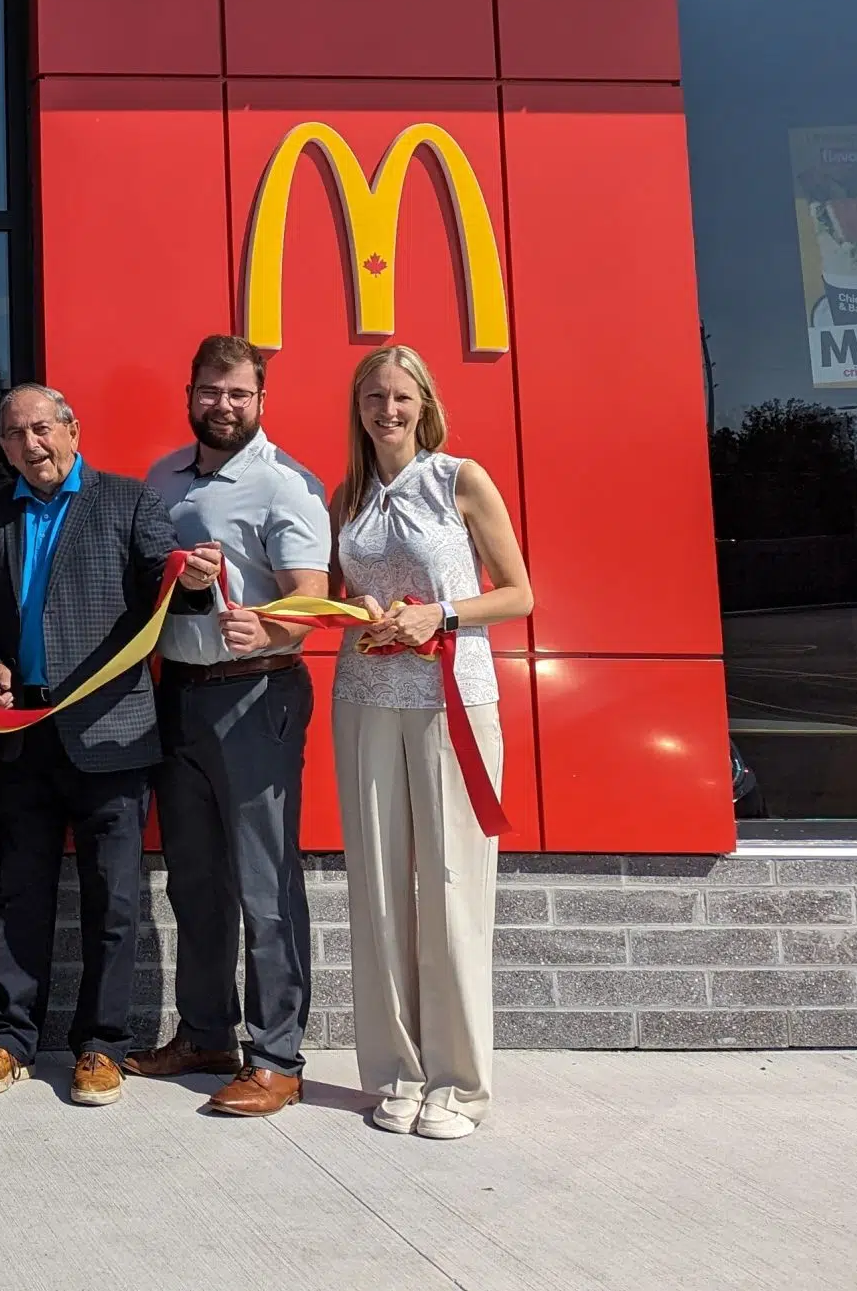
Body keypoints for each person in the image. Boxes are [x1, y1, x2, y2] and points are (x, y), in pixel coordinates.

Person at [0, 382, 204, 1106]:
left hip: (111, 736)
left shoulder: (127, 501)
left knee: (115, 901)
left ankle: (101, 1045)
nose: (30, 443)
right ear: (0, 445)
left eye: (41, 428)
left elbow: (171, 585)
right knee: (20, 896)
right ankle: (9, 1038)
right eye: (13, 433)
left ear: (72, 428)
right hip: (23, 736)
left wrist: (194, 579)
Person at [331, 343, 534, 1141]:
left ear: (425, 403)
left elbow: (519, 592)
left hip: (453, 700)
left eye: (402, 396)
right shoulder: (344, 494)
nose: (388, 409)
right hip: (364, 699)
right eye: (374, 396)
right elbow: (339, 596)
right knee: (378, 890)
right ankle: (395, 1071)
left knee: (451, 889)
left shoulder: (461, 478)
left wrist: (439, 615)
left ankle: (459, 1083)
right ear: (358, 406)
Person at [130, 336, 333, 1117]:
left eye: (238, 394)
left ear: (260, 400)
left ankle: (277, 1055)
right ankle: (208, 1031)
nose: (223, 404)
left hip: (257, 696)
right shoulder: (163, 479)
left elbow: (309, 596)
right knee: (195, 880)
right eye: (210, 391)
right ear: (191, 393)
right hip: (177, 694)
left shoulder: (287, 485)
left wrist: (270, 629)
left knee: (264, 883)